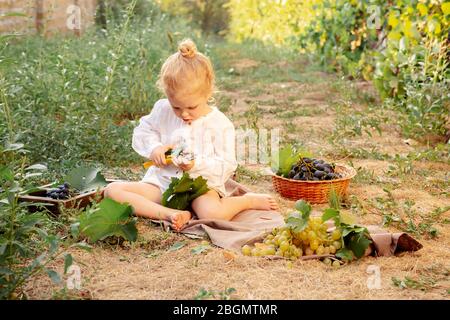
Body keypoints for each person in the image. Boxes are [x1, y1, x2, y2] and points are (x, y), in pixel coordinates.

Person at [104, 39, 279, 231]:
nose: (184, 113)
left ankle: (246, 201)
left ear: (208, 92)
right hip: (164, 183)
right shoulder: (162, 109)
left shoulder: (219, 124)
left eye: (191, 107)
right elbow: (144, 131)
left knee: (212, 213)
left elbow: (226, 164)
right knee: (113, 191)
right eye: (176, 107)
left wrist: (195, 165)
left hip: (199, 186)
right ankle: (171, 214)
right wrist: (155, 147)